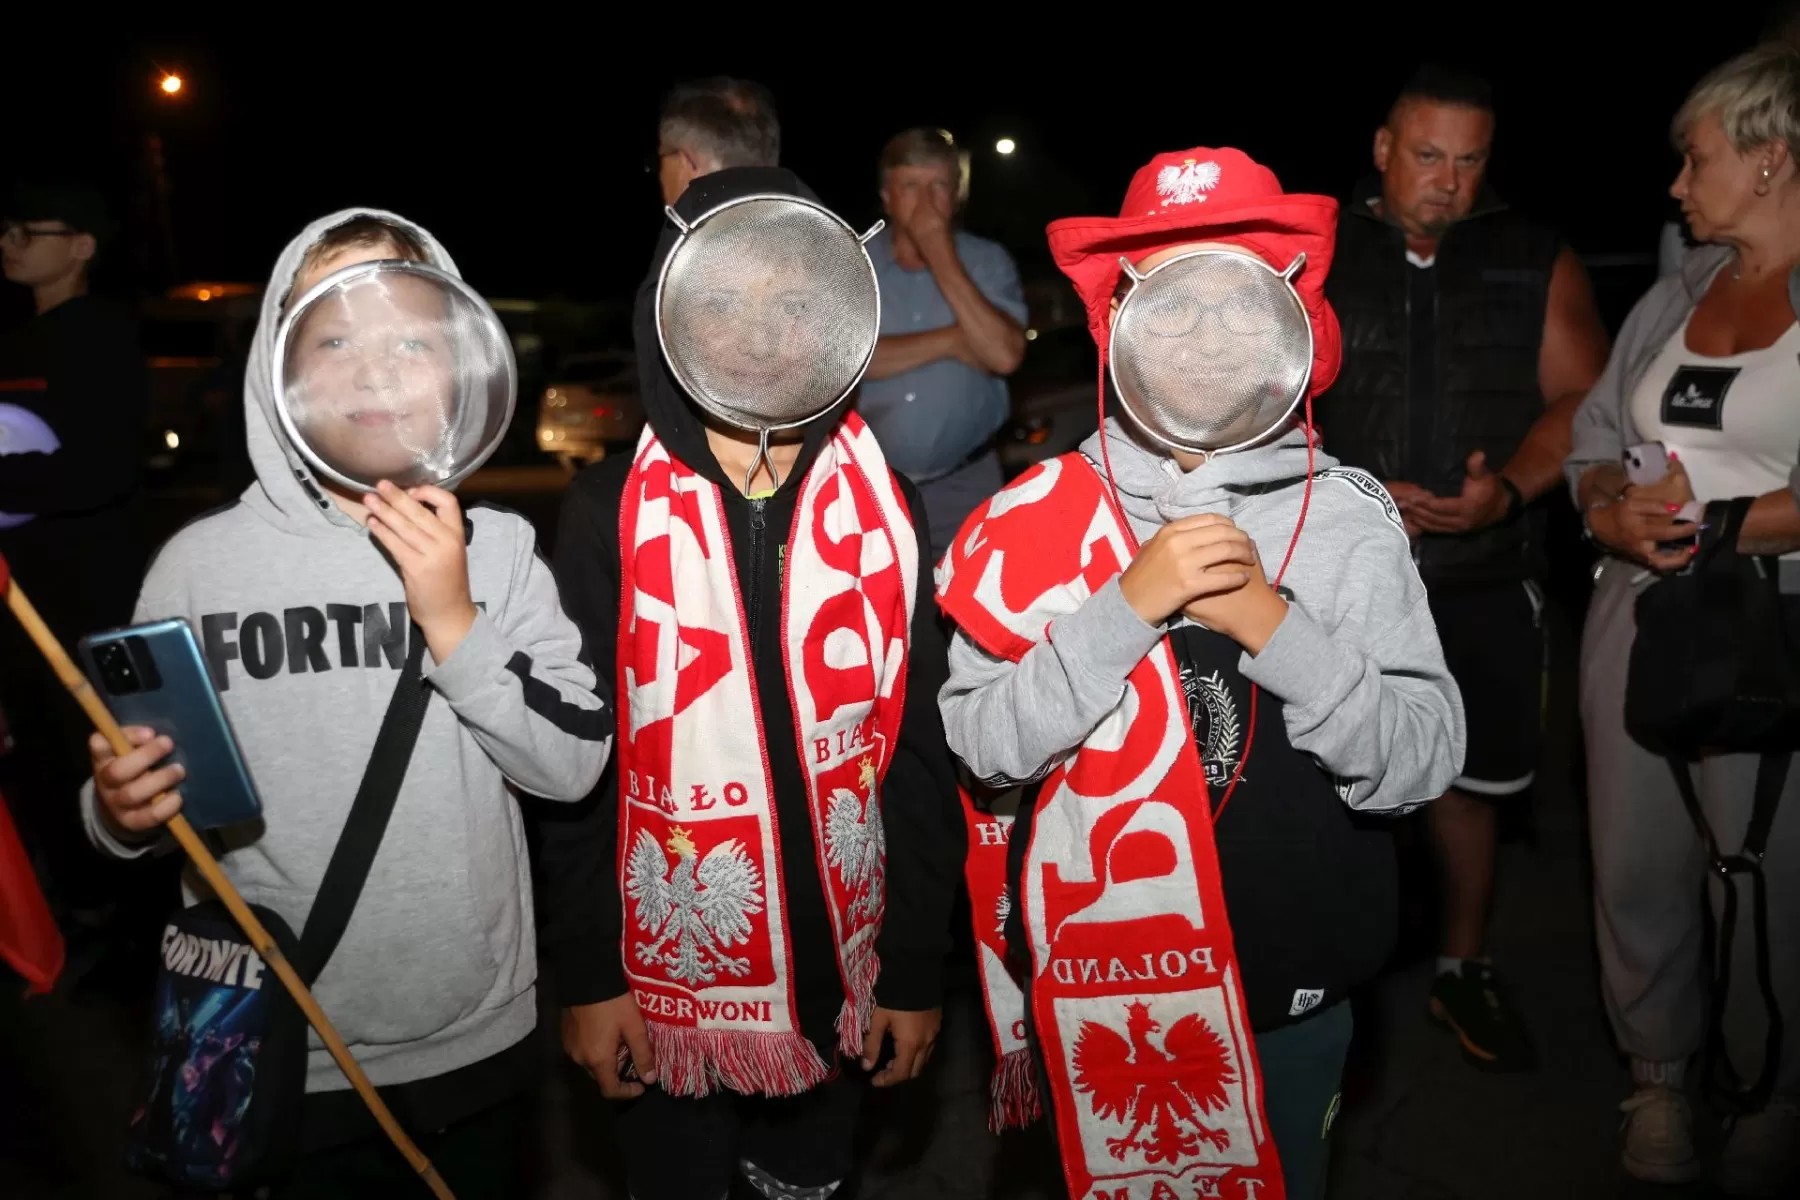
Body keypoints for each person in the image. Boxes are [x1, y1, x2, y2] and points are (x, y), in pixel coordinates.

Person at [937, 146, 1465, 1200]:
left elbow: (1421, 762)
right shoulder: (1034, 521)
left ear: (1294, 327)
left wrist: (1275, 626)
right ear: (1113, 323)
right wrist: (1123, 610)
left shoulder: (1348, 523)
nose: (1207, 338)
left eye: (1240, 304)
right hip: (1102, 1002)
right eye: (1171, 306)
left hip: (1295, 994)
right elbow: (981, 745)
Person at [79, 210, 612, 1198]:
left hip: (469, 1039)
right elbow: (139, 788)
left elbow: (574, 763)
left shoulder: (492, 550)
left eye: (411, 338)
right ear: (278, 368)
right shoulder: (203, 566)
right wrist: (117, 810)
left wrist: (454, 622)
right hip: (270, 1039)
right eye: (333, 338)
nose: (373, 371)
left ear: (461, 364)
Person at [539, 166, 963, 1200]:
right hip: (665, 978)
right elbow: (571, 772)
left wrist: (913, 965)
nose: (759, 331)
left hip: (842, 971)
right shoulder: (605, 515)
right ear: (667, 313)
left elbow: (917, 749)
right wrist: (591, 975)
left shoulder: (885, 507)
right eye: (722, 301)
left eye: (790, 301)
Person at [1313, 63, 1611, 1073]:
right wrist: (1343, 496)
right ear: (1384, 150)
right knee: (1325, 775)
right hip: (1334, 573)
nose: (1446, 179)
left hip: (1484, 568)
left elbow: (1582, 402)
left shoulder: (1536, 255)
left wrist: (1512, 490)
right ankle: (1323, 976)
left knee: (1469, 783)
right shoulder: (1312, 252)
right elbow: (1258, 398)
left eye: (1469, 160)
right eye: (1427, 155)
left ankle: (1462, 967)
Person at [1567, 45, 1800, 1194]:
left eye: (1694, 159)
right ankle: (1658, 1077)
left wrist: (1717, 525)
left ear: (1769, 160)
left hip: (1769, 620)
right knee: (1634, 859)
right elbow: (1597, 438)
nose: (1675, 184)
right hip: (1635, 613)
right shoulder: (1678, 290)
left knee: (1765, 870)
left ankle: (1768, 1089)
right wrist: (1605, 506)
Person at [0, 182, 156, 965]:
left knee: (97, 750)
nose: (11, 241)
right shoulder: (12, 342)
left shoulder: (100, 338)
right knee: (31, 751)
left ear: (83, 246)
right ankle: (73, 912)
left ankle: (126, 926)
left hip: (88, 594)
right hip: (15, 593)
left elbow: (102, 470)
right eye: (9, 228)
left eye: (32, 229)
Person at [857, 128, 1028, 561]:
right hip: (868, 483)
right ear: (886, 196)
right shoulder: (853, 263)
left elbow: (1004, 354)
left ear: (957, 196)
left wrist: (939, 252)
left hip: (967, 482)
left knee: (975, 609)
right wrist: (956, 339)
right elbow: (843, 361)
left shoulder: (987, 262)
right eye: (910, 186)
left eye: (939, 186)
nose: (926, 203)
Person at [650, 76, 781, 206]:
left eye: (659, 161)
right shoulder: (794, 221)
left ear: (685, 164)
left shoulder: (692, 226)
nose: (659, 174)